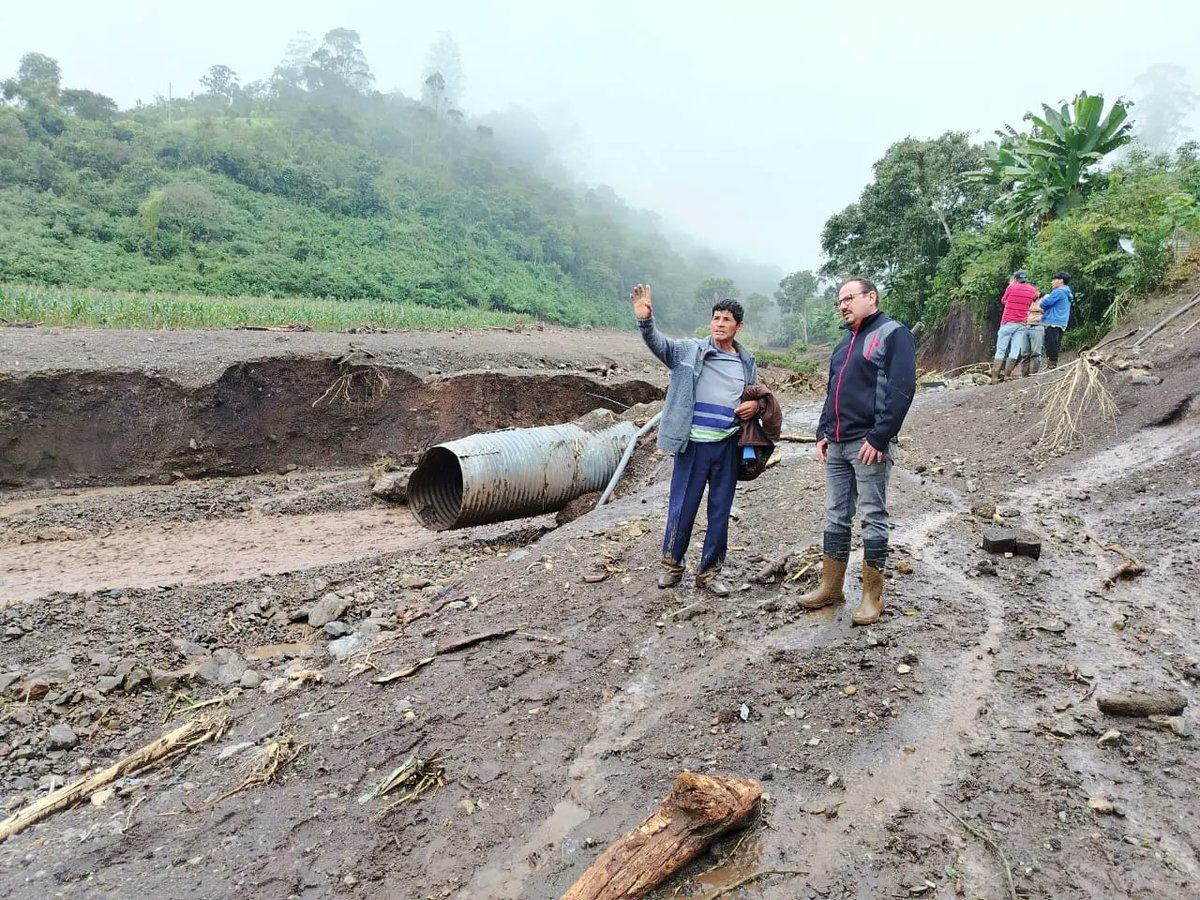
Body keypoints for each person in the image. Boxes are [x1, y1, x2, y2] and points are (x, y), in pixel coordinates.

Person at [800, 277, 917, 626]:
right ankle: (831, 586)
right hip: (837, 443)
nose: (843, 305)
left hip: (868, 445)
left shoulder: (893, 334)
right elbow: (832, 391)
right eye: (840, 300)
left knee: (872, 515)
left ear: (871, 297)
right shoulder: (843, 344)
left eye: (850, 298)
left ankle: (871, 597)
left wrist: (880, 438)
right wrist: (823, 432)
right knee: (835, 514)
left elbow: (901, 388)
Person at [631, 283, 760, 597]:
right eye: (715, 318)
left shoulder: (746, 361)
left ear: (738, 326)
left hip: (728, 445)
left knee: (719, 510)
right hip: (693, 446)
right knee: (682, 507)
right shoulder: (689, 351)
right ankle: (672, 566)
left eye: (726, 319)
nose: (719, 323)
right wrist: (646, 321)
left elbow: (755, 394)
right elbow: (658, 344)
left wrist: (754, 406)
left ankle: (710, 572)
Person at [990, 271, 1040, 383]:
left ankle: (994, 378)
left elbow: (1003, 300)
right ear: (1026, 279)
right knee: (1015, 349)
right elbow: (1035, 297)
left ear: (1015, 278)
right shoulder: (1032, 289)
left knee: (1001, 349)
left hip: (1007, 322)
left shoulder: (1011, 287)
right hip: (1021, 323)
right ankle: (1007, 376)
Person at [1037, 272, 1073, 369]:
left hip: (1052, 320)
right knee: (1056, 343)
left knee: (1050, 343)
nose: (1052, 282)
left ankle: (1051, 364)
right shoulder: (1067, 292)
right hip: (1061, 321)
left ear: (1061, 280)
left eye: (1054, 280)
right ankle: (1053, 363)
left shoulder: (1059, 291)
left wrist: (1043, 303)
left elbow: (1044, 303)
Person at [1021, 289, 1045, 375]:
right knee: (1024, 353)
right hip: (1026, 326)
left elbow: (1045, 309)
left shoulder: (1045, 298)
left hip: (1038, 325)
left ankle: (1033, 374)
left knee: (1036, 353)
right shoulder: (1029, 300)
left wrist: (1031, 308)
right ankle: (1024, 375)